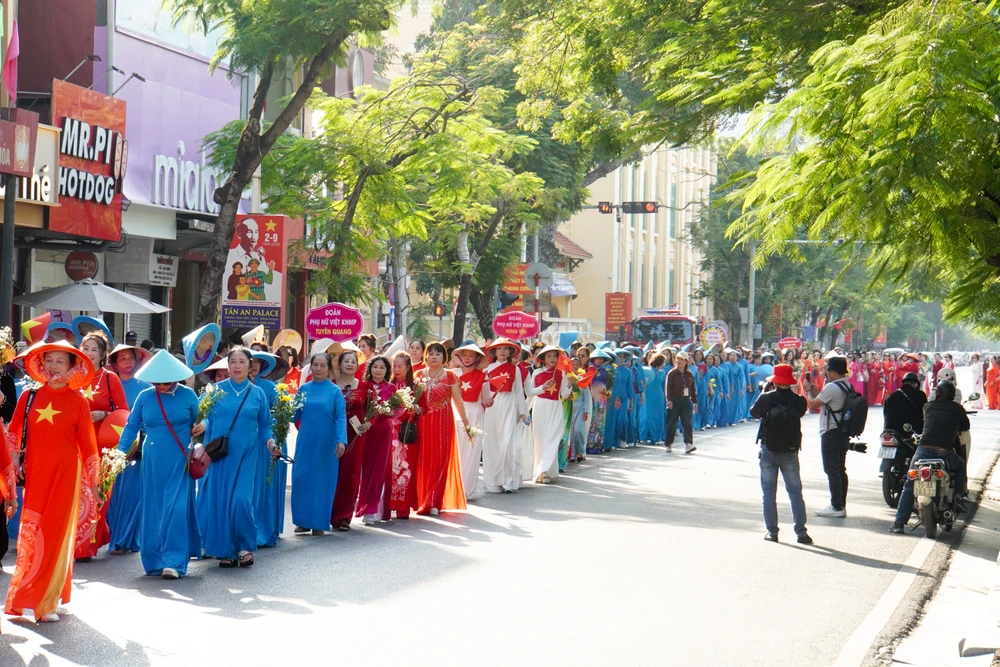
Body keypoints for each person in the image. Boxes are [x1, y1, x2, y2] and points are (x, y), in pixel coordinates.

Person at [5, 341, 98, 622]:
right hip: (36, 474)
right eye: (50, 360)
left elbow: (89, 445)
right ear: (42, 364)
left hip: (67, 477)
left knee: (56, 536)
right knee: (31, 534)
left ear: (72, 367)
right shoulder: (28, 397)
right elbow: (13, 434)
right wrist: (15, 465)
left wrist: (96, 485)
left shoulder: (79, 401)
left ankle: (48, 601)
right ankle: (25, 595)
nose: (54, 366)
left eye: (61, 361)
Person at [115, 350, 204, 579]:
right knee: (153, 510)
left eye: (165, 381)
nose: (161, 385)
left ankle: (173, 561)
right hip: (152, 461)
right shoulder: (145, 397)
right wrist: (117, 456)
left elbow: (203, 420)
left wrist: (203, 426)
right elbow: (130, 427)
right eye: (157, 381)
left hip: (180, 460)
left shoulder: (188, 395)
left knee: (176, 509)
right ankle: (154, 560)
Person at [198, 348, 278, 568]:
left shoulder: (257, 394)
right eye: (232, 361)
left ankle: (243, 545)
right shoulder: (215, 390)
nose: (236, 366)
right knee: (222, 502)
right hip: (220, 455)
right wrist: (201, 425)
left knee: (241, 501)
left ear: (250, 366)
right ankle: (226, 550)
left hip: (247, 455)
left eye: (242, 362)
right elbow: (202, 414)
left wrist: (271, 443)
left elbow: (265, 425)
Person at [890, 380, 970, 533]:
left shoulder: (928, 407)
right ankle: (959, 496)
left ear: (937, 394)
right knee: (960, 466)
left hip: (923, 450)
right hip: (945, 452)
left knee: (910, 483)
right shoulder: (957, 409)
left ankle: (899, 523)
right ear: (952, 395)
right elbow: (965, 427)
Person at [76, 331, 128, 562]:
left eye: (94, 349)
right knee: (78, 495)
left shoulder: (110, 379)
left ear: (103, 354)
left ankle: (88, 545)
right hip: (75, 443)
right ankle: (79, 541)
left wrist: (104, 413)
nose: (89, 353)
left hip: (102, 444)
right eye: (85, 348)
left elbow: (124, 413)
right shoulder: (71, 376)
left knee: (98, 494)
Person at [749, 363, 812, 544]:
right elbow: (800, 413)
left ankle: (772, 531)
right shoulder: (799, 401)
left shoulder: (767, 398)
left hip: (769, 449)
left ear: (775, 382)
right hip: (790, 451)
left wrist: (764, 392)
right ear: (790, 382)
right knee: (795, 492)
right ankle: (801, 532)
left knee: (768, 493)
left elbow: (754, 413)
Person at [292, 352, 347, 534]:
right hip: (306, 441)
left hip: (327, 443)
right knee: (302, 478)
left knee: (322, 481)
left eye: (323, 365)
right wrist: (284, 404)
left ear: (329, 369)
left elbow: (341, 418)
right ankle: (302, 521)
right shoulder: (304, 389)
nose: (318, 369)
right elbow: (294, 416)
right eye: (315, 365)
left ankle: (318, 523)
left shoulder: (335, 391)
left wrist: (341, 441)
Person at [414, 342, 469, 514]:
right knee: (422, 461)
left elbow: (458, 401)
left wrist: (466, 423)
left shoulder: (450, 376)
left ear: (444, 358)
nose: (434, 356)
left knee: (439, 460)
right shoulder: (417, 375)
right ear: (426, 357)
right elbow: (413, 400)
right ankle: (422, 499)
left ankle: (434, 501)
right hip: (422, 423)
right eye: (431, 353)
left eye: (438, 354)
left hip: (442, 424)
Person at [806, 355, 851, 518]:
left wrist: (808, 391)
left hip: (831, 431)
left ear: (832, 371)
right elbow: (825, 399)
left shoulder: (832, 387)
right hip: (842, 432)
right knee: (840, 469)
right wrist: (814, 389)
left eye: (826, 369)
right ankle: (841, 504)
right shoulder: (846, 385)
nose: (825, 372)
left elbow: (812, 404)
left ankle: (836, 506)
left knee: (831, 469)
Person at [331, 346, 369, 530]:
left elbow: (373, 412)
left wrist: (369, 423)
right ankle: (328, 513)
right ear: (339, 364)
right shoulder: (330, 385)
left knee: (351, 475)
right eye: (346, 361)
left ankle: (345, 516)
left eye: (353, 361)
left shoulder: (364, 386)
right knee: (332, 474)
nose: (350, 364)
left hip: (355, 436)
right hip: (332, 435)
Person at [482, 339, 526, 493]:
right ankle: (494, 480)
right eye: (499, 348)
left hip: (509, 405)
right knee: (493, 443)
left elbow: (519, 392)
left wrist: (523, 412)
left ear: (510, 352)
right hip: (492, 407)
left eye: (505, 348)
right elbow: (481, 391)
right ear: (493, 352)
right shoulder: (486, 370)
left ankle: (508, 480)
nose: (502, 351)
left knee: (508, 443)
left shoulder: (515, 369)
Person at [357, 355, 396, 524]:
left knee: (379, 470)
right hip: (366, 432)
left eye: (382, 367)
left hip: (384, 432)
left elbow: (396, 412)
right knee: (365, 470)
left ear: (387, 371)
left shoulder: (392, 388)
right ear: (369, 369)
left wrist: (385, 410)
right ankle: (364, 506)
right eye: (375, 366)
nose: (378, 370)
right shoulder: (363, 387)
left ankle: (373, 510)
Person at [527, 345, 573, 483]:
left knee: (553, 437)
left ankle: (546, 470)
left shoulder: (561, 373)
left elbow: (564, 393)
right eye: (549, 356)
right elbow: (531, 394)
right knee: (540, 439)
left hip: (555, 406)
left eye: (554, 356)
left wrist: (570, 385)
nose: (552, 359)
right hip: (540, 407)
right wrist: (523, 411)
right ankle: (542, 471)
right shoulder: (536, 373)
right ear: (542, 358)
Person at [453, 344, 490, 500]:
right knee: (455, 450)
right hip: (454, 412)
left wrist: (489, 402)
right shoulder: (452, 374)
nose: (467, 358)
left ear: (477, 359)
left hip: (474, 414)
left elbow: (486, 397)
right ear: (460, 357)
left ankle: (466, 489)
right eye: (465, 354)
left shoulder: (483, 376)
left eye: (471, 355)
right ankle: (452, 488)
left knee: (471, 451)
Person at [386, 352, 419, 517]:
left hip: (406, 432)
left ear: (408, 368)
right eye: (394, 366)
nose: (396, 369)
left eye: (400, 366)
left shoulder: (415, 386)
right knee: (390, 469)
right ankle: (389, 504)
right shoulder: (387, 385)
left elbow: (424, 408)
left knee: (406, 470)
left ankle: (403, 507)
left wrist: (418, 409)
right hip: (389, 433)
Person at [665, 351, 698, 454]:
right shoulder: (672, 373)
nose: (679, 361)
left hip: (686, 400)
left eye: (681, 360)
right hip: (675, 400)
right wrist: (669, 400)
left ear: (686, 362)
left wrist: (695, 402)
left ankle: (688, 443)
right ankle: (669, 443)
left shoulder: (689, 374)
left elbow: (692, 389)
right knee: (671, 423)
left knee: (687, 422)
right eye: (677, 359)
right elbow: (668, 388)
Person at [586, 349, 614, 455]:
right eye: (597, 358)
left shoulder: (605, 371)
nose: (599, 360)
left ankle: (597, 445)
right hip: (591, 397)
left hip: (602, 399)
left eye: (601, 358)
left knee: (600, 422)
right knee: (591, 421)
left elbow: (609, 385)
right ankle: (588, 446)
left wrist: (609, 393)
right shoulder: (589, 369)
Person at [568, 355, 592, 461]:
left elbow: (587, 396)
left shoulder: (582, 379)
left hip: (580, 409)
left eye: (577, 364)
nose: (575, 366)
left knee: (578, 431)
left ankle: (580, 451)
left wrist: (586, 410)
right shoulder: (567, 378)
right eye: (573, 364)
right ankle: (572, 454)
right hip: (569, 408)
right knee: (571, 433)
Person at [640, 353, 667, 444]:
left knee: (659, 416)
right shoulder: (647, 370)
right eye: (663, 362)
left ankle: (656, 437)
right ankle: (644, 436)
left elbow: (664, 385)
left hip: (659, 395)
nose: (664, 364)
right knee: (647, 415)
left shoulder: (662, 372)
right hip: (648, 393)